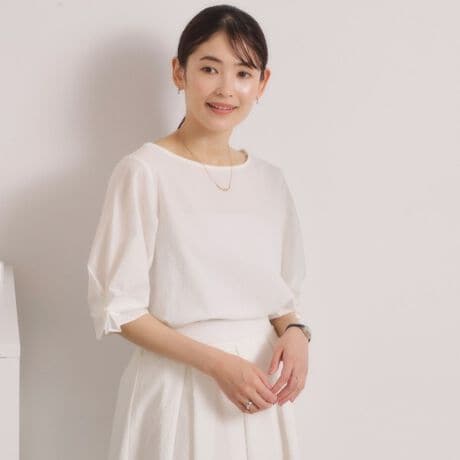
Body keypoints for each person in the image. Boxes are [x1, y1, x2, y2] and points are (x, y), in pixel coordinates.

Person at [86, 4, 312, 459]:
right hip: (177, 386)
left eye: (243, 73)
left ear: (262, 83)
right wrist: (217, 364)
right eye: (210, 68)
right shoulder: (144, 172)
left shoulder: (270, 180)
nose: (226, 88)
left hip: (260, 388)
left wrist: (296, 333)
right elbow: (121, 309)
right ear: (179, 71)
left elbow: (280, 297)